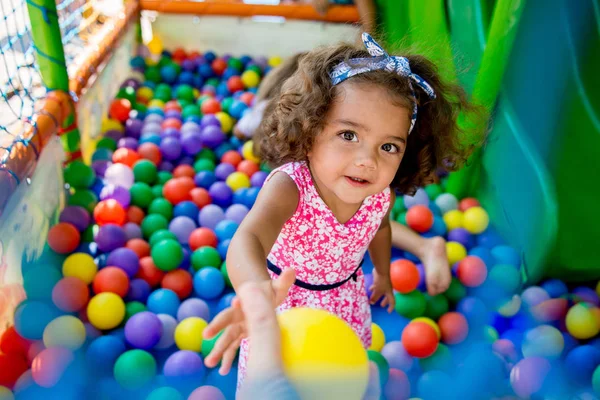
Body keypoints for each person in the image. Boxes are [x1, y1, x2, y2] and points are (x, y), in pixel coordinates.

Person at [203, 33, 481, 392]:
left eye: (388, 146)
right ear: (311, 128)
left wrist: (382, 274)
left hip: (344, 303)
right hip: (283, 307)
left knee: (340, 385)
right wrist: (256, 292)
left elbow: (380, 231)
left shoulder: (379, 197)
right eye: (349, 135)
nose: (368, 160)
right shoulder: (290, 187)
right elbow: (249, 237)